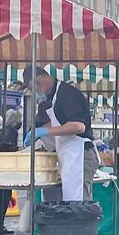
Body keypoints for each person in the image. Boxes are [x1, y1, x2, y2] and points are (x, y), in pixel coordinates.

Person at [21, 66, 98, 202]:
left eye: (35, 89)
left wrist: (45, 131)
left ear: (39, 81)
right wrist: (37, 132)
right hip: (70, 157)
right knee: (70, 202)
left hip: (80, 156)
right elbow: (61, 122)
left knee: (78, 204)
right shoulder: (55, 97)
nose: (37, 92)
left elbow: (78, 126)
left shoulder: (67, 95)